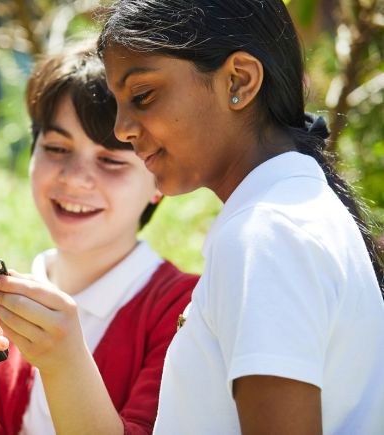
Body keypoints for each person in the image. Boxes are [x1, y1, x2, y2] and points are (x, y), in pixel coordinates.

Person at [98, 0, 384, 433]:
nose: (122, 128)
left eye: (142, 95)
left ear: (240, 80)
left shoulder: (267, 234)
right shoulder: (288, 212)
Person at [0, 41, 198, 435]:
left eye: (110, 160)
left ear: (158, 179)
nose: (74, 177)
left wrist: (65, 363)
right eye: (56, 147)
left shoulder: (187, 309)